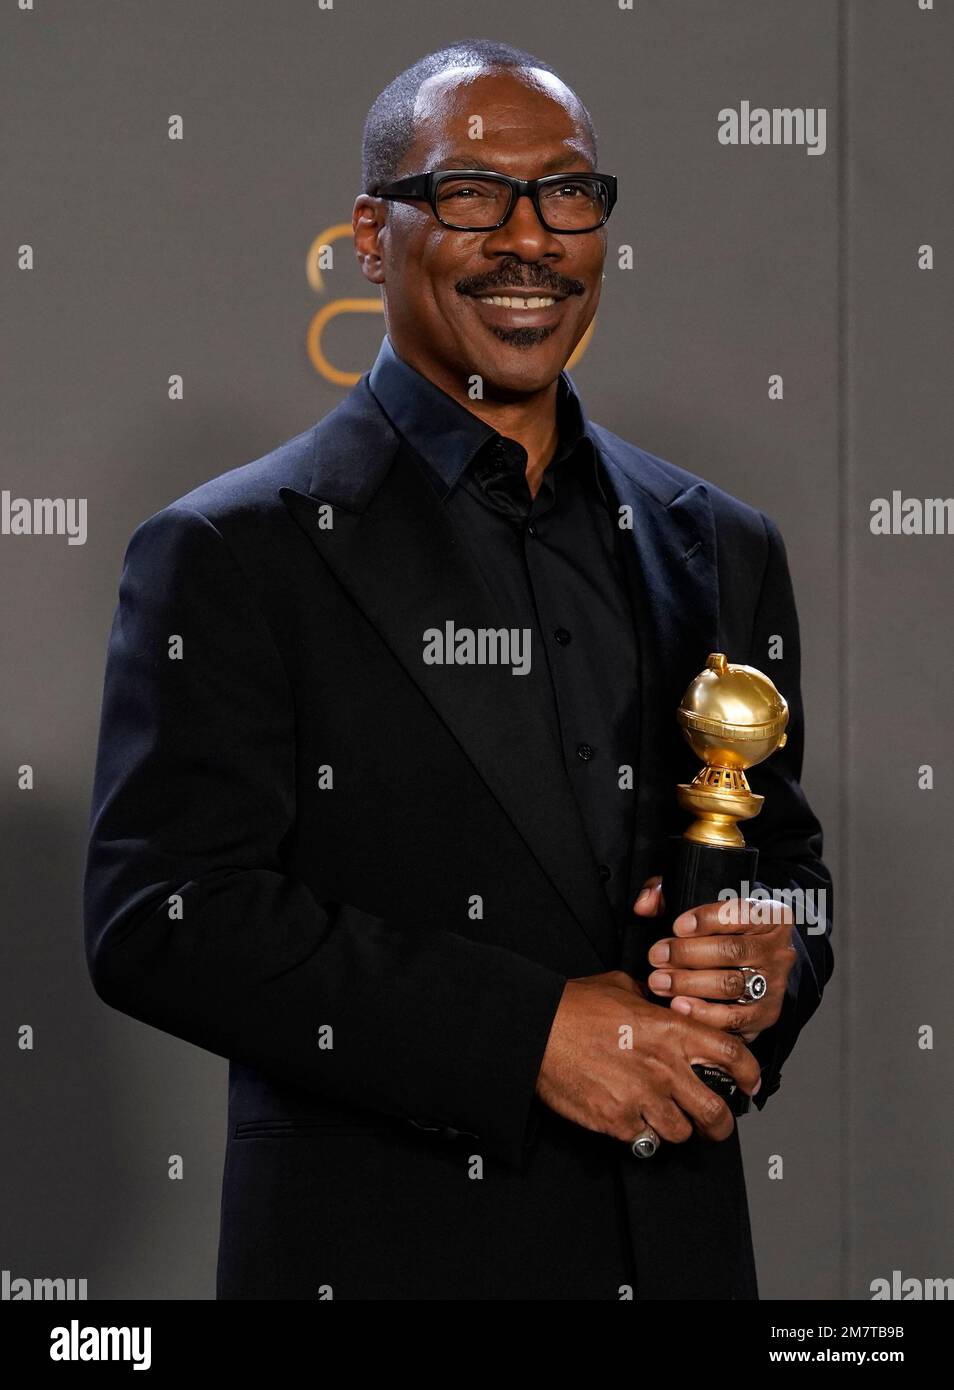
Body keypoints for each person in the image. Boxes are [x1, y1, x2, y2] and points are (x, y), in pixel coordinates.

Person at [83, 39, 833, 1300]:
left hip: (680, 1255)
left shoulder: (721, 544)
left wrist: (772, 967)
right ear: (372, 237)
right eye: (472, 193)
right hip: (382, 1262)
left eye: (570, 193)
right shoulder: (232, 550)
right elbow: (160, 916)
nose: (530, 239)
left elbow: (787, 865)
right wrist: (525, 1034)